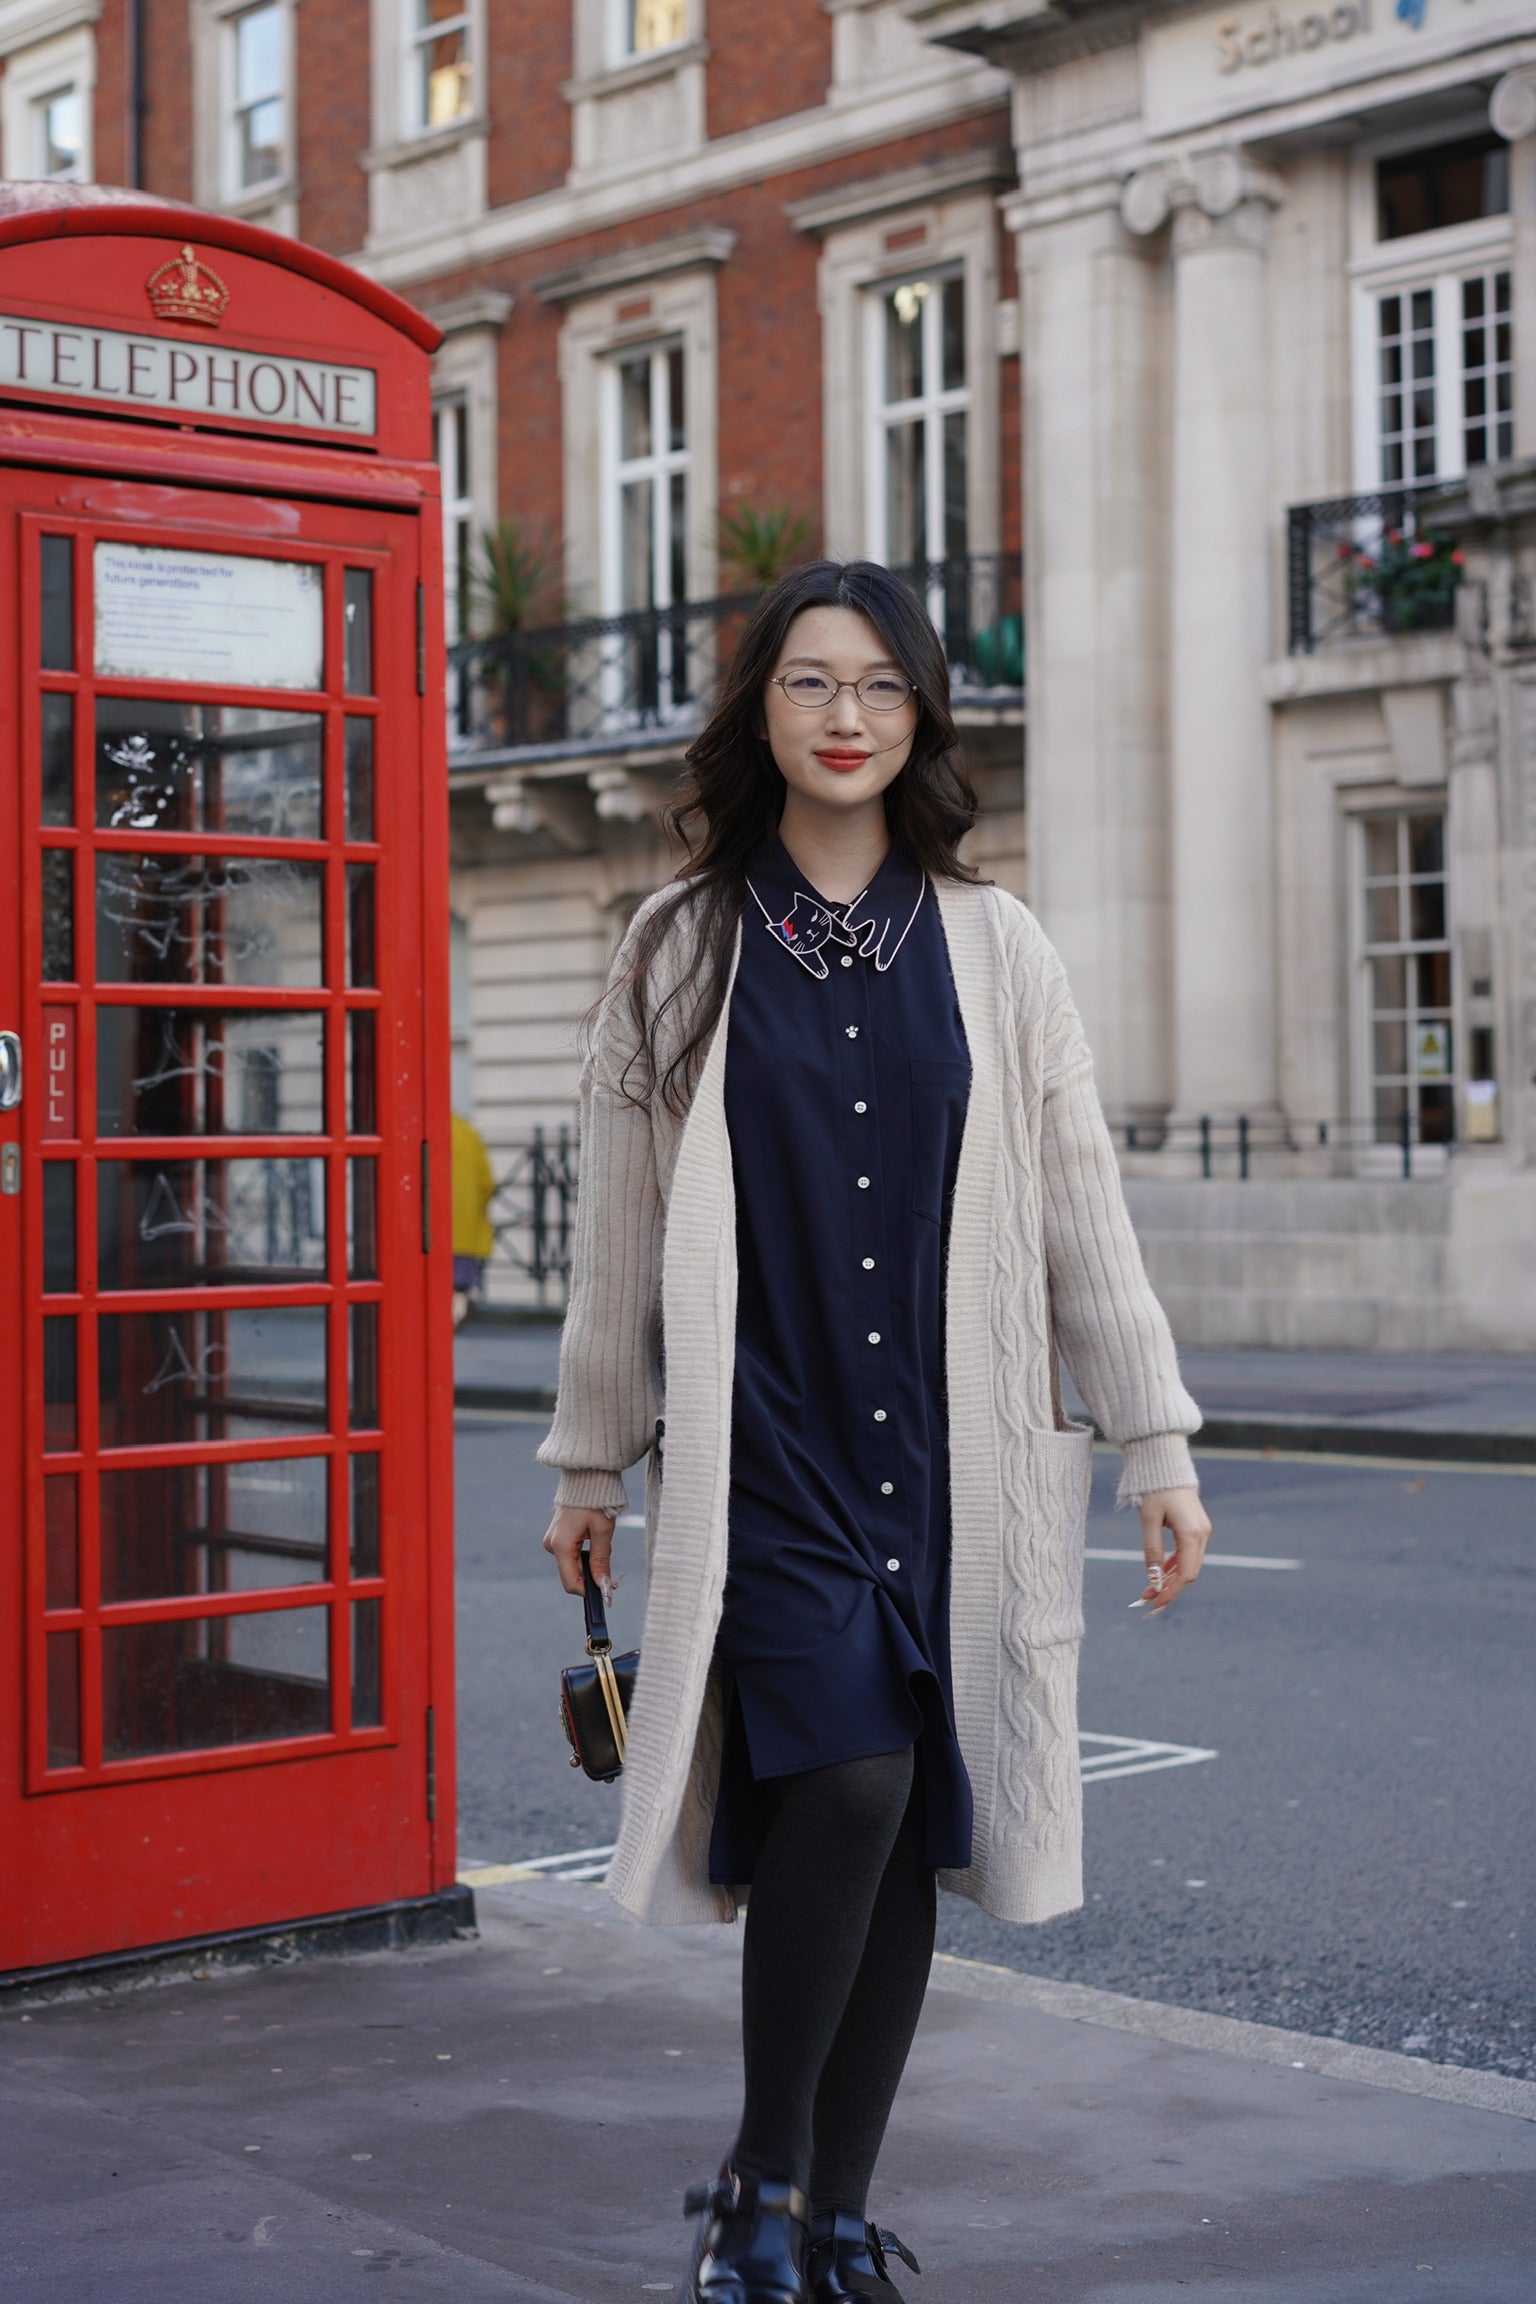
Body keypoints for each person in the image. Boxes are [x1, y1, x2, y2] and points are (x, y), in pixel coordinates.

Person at [539, 562, 1211, 2304]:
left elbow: (1079, 1207)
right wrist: (592, 1456)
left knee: (913, 1807)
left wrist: (1156, 1438)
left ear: (920, 717)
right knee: (843, 1773)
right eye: (810, 682)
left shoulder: (995, 945)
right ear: (758, 709)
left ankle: (833, 2213)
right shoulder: (676, 943)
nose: (846, 715)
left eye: (881, 688)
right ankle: (758, 2185)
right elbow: (616, 1226)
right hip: (768, 1452)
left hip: (953, 1452)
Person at [451, 1108, 497, 1326]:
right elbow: (487, 1183)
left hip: (431, 1227)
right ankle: (457, 1307)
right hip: (466, 1226)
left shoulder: (426, 1132)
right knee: (461, 1279)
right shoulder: (469, 1133)